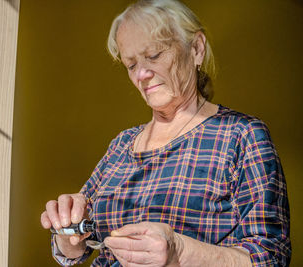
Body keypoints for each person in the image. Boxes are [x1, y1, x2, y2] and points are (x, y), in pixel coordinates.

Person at [40, 0, 291, 266]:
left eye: (154, 55)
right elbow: (75, 250)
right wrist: (67, 233)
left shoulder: (241, 135)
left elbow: (271, 256)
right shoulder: (122, 144)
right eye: (131, 64)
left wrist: (181, 251)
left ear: (196, 49)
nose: (142, 75)